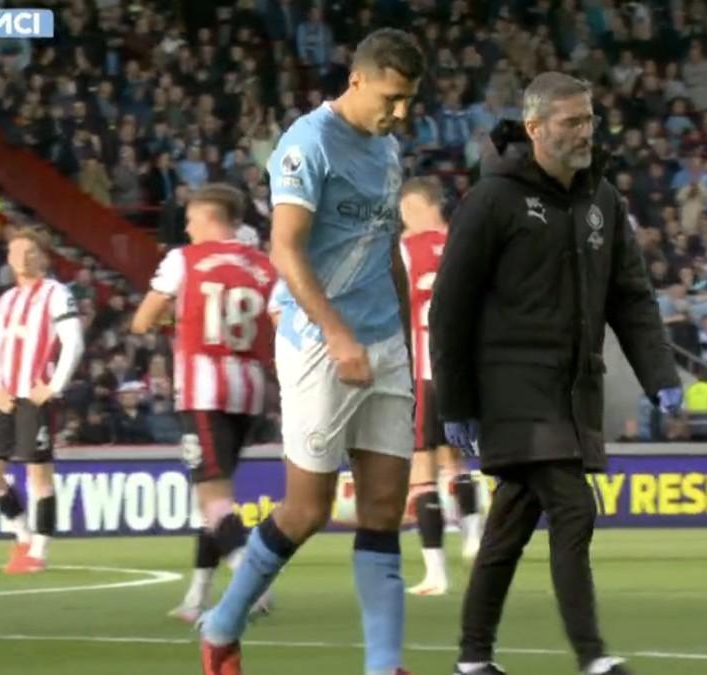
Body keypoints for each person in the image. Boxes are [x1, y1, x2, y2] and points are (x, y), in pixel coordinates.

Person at [429, 72, 683, 675]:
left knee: (510, 523)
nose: (584, 132)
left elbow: (631, 296)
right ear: (536, 128)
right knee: (573, 506)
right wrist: (455, 401)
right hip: (512, 387)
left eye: (589, 119)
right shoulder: (493, 200)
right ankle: (593, 657)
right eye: (571, 122)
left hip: (573, 390)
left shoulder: (603, 201)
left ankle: (472, 659)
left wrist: (660, 373)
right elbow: (450, 305)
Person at [198, 28, 425, 675]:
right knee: (308, 508)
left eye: (409, 100)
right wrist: (337, 332)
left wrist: (401, 337)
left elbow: (387, 247)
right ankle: (222, 624)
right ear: (359, 79)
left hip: (383, 344)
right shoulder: (306, 145)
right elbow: (287, 250)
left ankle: (384, 665)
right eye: (393, 96)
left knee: (384, 508)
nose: (400, 111)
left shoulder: (387, 149)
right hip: (321, 346)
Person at [130, 183, 278, 622]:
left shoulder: (184, 260)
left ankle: (254, 584)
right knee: (214, 502)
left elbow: (142, 319)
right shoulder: (265, 267)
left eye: (192, 219)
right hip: (248, 392)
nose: (188, 228)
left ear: (211, 218)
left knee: (213, 500)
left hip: (202, 390)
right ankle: (197, 597)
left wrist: (177, 318)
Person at [0, 228, 84, 574]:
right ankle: (22, 534)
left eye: (29, 252)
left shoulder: (56, 293)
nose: (22, 259)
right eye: (16, 253)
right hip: (6, 396)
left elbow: (73, 342)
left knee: (38, 475)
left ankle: (39, 550)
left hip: (35, 395)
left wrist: (53, 386)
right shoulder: (4, 301)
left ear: (42, 256)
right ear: (8, 259)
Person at [397, 176, 483, 596]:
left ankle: (435, 573)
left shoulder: (405, 250)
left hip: (423, 371)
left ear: (413, 208)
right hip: (467, 372)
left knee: (422, 470)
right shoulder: (467, 244)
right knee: (456, 461)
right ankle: (474, 538)